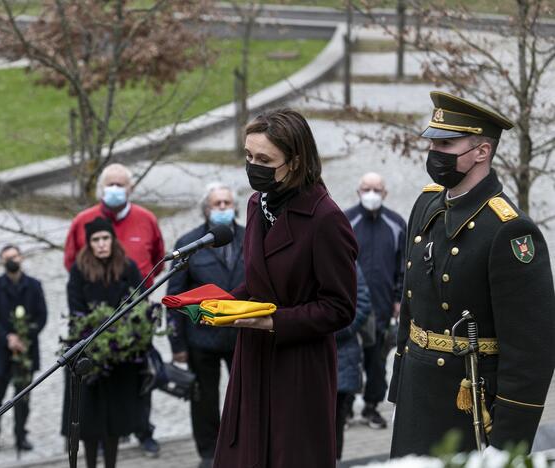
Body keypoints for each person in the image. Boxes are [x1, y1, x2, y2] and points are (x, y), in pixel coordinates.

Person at [389, 91, 555, 456]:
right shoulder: (428, 203)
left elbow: (531, 353)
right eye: (433, 142)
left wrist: (507, 449)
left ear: (481, 151)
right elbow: (413, 302)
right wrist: (400, 382)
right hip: (419, 396)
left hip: (468, 406)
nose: (435, 153)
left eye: (447, 144)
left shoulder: (509, 231)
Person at [212, 108, 358, 467]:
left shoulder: (326, 219)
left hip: (299, 366)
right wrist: (225, 305)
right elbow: (261, 279)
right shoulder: (256, 204)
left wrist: (274, 321)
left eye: (264, 159)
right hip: (253, 359)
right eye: (248, 156)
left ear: (294, 161)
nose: (253, 166)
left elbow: (340, 307)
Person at [63, 163, 165, 456]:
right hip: (91, 323)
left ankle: (143, 430)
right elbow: (71, 261)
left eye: (121, 184)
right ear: (101, 188)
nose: (116, 189)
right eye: (110, 184)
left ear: (130, 189)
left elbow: (159, 258)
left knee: (138, 378)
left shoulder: (146, 219)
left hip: (133, 318)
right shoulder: (84, 220)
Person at [166, 182, 245, 468]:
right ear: (206, 209)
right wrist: (177, 344)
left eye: (227, 203)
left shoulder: (252, 238)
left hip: (242, 333)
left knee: (245, 397)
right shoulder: (190, 244)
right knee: (204, 401)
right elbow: (174, 296)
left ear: (235, 207)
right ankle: (209, 453)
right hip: (202, 337)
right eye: (217, 204)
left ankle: (243, 446)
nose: (223, 208)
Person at [63, 217, 147, 468]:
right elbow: (76, 311)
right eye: (96, 240)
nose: (101, 244)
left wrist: (124, 338)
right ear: (89, 244)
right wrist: (92, 343)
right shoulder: (79, 271)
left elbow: (137, 306)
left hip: (121, 358)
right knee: (88, 423)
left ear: (113, 240)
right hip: (88, 357)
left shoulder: (128, 267)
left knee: (114, 424)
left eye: (105, 238)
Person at [344, 172, 406, 429]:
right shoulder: (346, 221)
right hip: (349, 308)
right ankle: (344, 409)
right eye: (367, 188)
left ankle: (371, 407)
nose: (372, 193)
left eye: (377, 189)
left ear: (385, 193)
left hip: (381, 307)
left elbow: (404, 265)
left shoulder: (396, 224)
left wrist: (398, 298)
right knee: (348, 358)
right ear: (358, 191)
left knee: (377, 362)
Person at [0, 244, 47, 453]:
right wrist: (8, 338)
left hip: (26, 351)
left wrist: (25, 336)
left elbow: (42, 316)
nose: (12, 260)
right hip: (1, 352)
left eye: (15, 256)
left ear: (21, 258)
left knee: (23, 396)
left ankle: (21, 434)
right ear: (2, 261)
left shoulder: (34, 286)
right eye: (7, 257)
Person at [335, 265, 371, 461]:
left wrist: (330, 327)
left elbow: (363, 304)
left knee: (334, 421)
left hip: (342, 356)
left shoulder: (347, 263)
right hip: (303, 361)